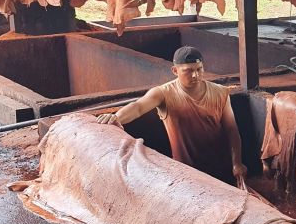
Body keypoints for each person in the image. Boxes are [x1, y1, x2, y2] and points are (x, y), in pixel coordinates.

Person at [97, 46, 248, 186]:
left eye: (199, 69)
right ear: (175, 70)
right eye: (188, 71)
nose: (195, 75)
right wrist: (117, 117)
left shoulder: (220, 92)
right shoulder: (164, 93)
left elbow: (231, 130)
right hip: (186, 174)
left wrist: (237, 163)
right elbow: (138, 107)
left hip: (221, 170)